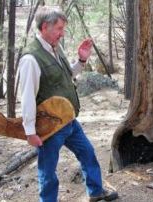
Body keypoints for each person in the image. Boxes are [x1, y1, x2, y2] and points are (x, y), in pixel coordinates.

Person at [19, 6, 119, 202]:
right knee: (47, 172)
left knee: (88, 153)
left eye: (63, 28)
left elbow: (67, 75)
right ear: (45, 27)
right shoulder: (31, 59)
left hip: (68, 121)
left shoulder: (57, 49)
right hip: (49, 127)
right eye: (59, 28)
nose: (62, 33)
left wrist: (81, 59)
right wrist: (30, 132)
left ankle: (96, 191)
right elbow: (28, 97)